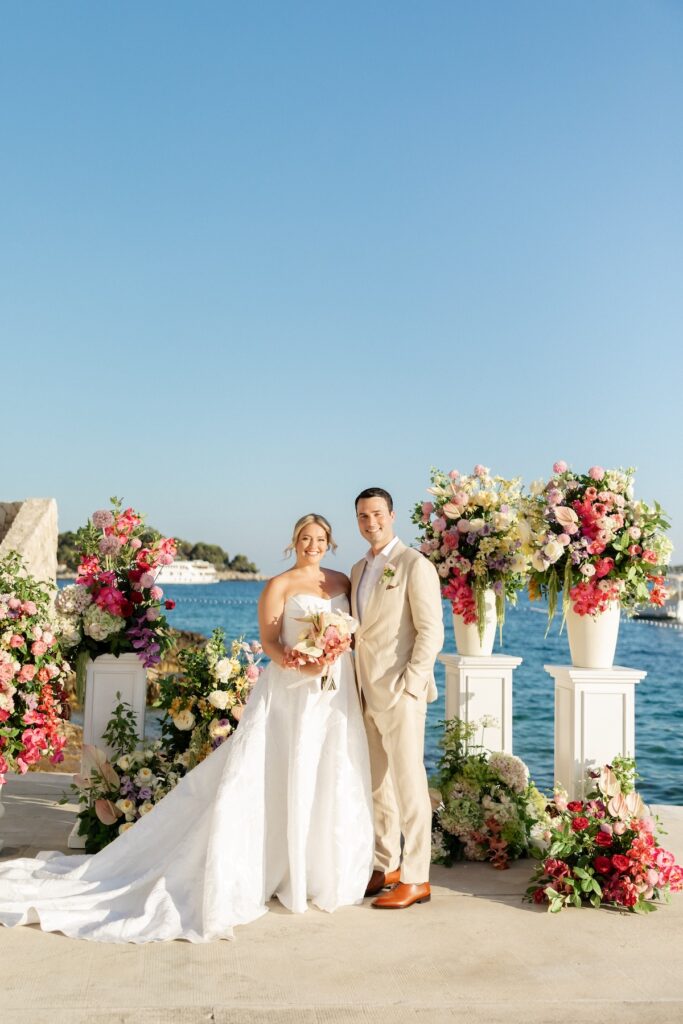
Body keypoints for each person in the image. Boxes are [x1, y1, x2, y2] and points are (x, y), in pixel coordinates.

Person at [0, 514, 373, 943]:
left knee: (329, 770)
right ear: (295, 541)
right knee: (282, 770)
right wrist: (298, 660)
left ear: (330, 542)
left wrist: (332, 651)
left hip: (335, 692)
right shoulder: (279, 585)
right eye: (306, 538)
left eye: (320, 538)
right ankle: (274, 865)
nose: (313, 545)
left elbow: (351, 632)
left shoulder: (342, 581)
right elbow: (271, 643)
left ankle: (316, 869)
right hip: (291, 693)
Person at [351, 487, 444, 909]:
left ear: (391, 515)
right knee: (378, 786)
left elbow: (431, 631)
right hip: (365, 692)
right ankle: (385, 864)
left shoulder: (414, 564)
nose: (370, 522)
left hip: (401, 693)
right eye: (362, 516)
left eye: (377, 514)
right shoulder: (357, 569)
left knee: (409, 786)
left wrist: (411, 685)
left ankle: (417, 877)